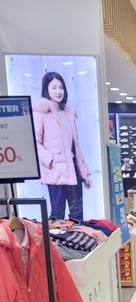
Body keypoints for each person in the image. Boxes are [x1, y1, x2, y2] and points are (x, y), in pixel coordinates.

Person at [33, 71, 91, 221]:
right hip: (56, 171)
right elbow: (35, 143)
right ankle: (57, 237)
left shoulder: (68, 112)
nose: (58, 91)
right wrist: (50, 160)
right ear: (47, 89)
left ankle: (78, 236)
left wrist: (84, 170)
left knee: (77, 214)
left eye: (61, 87)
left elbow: (75, 145)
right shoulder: (41, 113)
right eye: (54, 88)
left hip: (74, 169)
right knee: (57, 214)